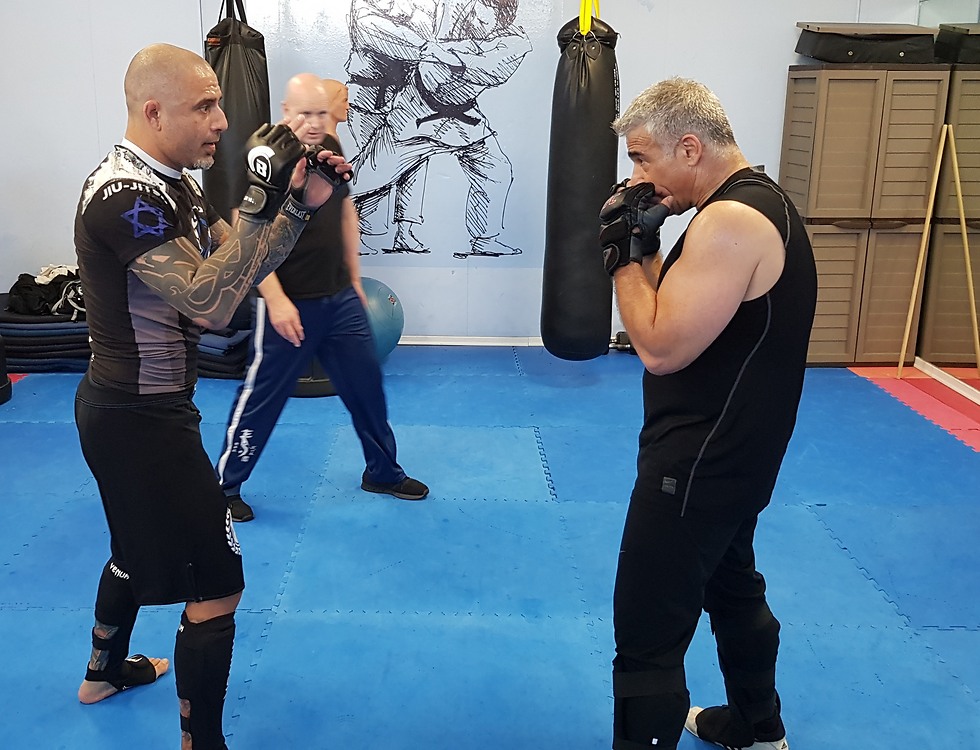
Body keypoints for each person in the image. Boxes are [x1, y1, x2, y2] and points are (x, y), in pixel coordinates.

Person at [73, 43, 350, 749]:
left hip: (140, 410)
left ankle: (103, 674)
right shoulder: (124, 199)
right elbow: (210, 304)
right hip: (138, 419)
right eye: (204, 106)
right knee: (219, 583)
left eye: (220, 104)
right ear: (153, 111)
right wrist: (260, 201)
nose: (222, 121)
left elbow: (241, 261)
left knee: (133, 548)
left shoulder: (175, 184)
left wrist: (297, 205)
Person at [598, 78, 816, 750]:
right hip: (738, 455)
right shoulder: (762, 202)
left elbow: (659, 347)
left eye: (643, 158)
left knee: (646, 634)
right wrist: (645, 248)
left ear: (689, 148)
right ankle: (757, 727)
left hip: (696, 463)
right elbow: (678, 311)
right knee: (731, 586)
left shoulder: (729, 223)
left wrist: (619, 254)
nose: (638, 177)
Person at [215, 74, 428, 524]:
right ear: (285, 111)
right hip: (289, 302)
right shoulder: (263, 156)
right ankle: (225, 487)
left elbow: (345, 211)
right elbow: (241, 235)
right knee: (262, 398)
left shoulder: (329, 145)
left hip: (339, 298)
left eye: (321, 114)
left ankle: (383, 472)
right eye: (304, 114)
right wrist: (275, 300)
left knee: (367, 387)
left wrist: (354, 278)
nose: (314, 123)